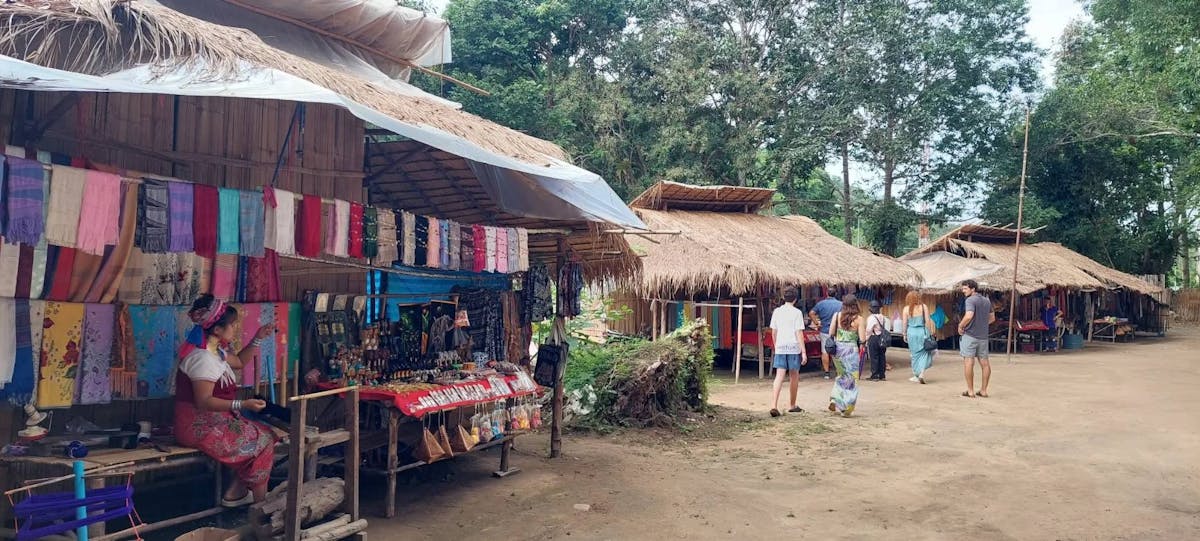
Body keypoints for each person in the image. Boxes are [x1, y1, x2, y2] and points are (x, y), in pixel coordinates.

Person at [175, 295, 277, 505]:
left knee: (267, 435)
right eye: (232, 325)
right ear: (217, 330)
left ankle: (236, 492)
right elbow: (203, 402)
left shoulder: (216, 352)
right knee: (264, 441)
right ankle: (261, 507)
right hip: (198, 425)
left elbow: (239, 361)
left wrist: (258, 337)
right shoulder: (202, 359)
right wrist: (242, 404)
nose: (235, 329)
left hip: (215, 420)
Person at [768, 286, 808, 417]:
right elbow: (799, 333)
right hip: (793, 347)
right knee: (794, 376)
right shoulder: (797, 313)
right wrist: (803, 352)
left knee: (779, 376)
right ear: (795, 299)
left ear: (783, 298)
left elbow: (774, 331)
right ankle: (792, 404)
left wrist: (776, 345)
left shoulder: (777, 312)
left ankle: (774, 405)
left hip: (780, 347)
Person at [827, 294, 866, 417]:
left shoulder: (837, 316)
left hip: (838, 350)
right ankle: (846, 409)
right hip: (851, 350)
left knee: (841, 375)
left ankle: (835, 399)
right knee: (852, 379)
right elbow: (862, 338)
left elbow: (831, 333)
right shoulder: (859, 319)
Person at [957, 280, 994, 398]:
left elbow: (969, 315)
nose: (963, 291)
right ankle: (983, 390)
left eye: (965, 289)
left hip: (970, 335)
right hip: (983, 337)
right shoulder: (987, 301)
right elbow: (992, 318)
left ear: (973, 289)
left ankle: (970, 391)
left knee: (969, 362)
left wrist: (960, 325)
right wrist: (982, 325)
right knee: (985, 363)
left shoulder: (970, 300)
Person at [901, 291, 936, 384]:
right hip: (922, 331)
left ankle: (916, 375)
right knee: (925, 353)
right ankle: (921, 374)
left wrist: (904, 334)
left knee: (914, 355)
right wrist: (928, 333)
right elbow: (927, 321)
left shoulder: (906, 309)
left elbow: (904, 323)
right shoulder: (924, 307)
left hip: (911, 332)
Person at [810, 292, 842, 379]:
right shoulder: (840, 304)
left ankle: (827, 373)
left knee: (825, 352)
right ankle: (839, 371)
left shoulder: (821, 304)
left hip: (824, 330)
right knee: (837, 351)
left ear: (827, 293)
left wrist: (817, 323)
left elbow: (811, 313)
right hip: (837, 331)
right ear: (835, 294)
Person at [865, 300, 889, 381]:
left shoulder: (871, 318)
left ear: (871, 309)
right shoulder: (883, 317)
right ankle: (882, 375)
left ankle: (875, 375)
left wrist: (866, 339)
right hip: (882, 338)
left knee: (874, 357)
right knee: (882, 356)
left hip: (874, 338)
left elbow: (869, 330)